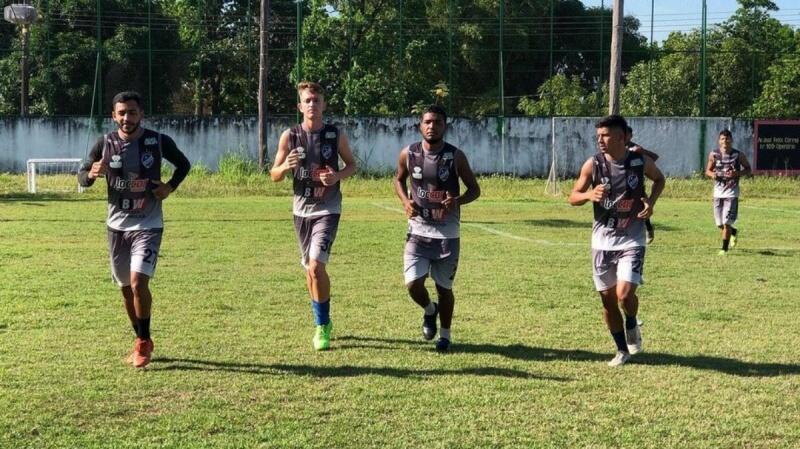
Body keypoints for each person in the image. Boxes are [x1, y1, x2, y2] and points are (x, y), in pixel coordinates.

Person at [78, 91, 191, 368]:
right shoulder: (104, 143)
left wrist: (169, 187)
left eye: (132, 112)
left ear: (141, 114)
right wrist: (91, 174)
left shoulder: (157, 141)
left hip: (148, 224)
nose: (127, 118)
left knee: (139, 282)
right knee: (126, 289)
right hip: (116, 227)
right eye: (122, 113)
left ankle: (142, 343)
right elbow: (82, 175)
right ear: (113, 116)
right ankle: (142, 337)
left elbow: (183, 164)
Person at [569, 115, 665, 367]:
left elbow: (659, 179)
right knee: (607, 299)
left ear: (622, 137)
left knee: (624, 294)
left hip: (631, 238)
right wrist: (589, 194)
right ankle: (621, 350)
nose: (600, 140)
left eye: (606, 135)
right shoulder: (593, 165)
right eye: (598, 135)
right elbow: (573, 196)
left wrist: (650, 204)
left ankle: (632, 321)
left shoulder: (638, 161)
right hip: (602, 241)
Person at [270, 81, 357, 351]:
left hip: (328, 209)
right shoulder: (290, 136)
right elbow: (274, 175)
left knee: (317, 265)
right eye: (307, 100)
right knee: (310, 270)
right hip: (301, 211)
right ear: (300, 106)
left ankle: (322, 326)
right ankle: (323, 319)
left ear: (324, 105)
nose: (312, 105)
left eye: (316, 100)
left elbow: (352, 165)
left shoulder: (335, 135)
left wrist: (337, 176)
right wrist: (285, 166)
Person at [393, 105, 481, 352]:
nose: (432, 126)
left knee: (445, 289)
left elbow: (475, 190)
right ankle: (429, 311)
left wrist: (457, 201)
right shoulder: (408, 153)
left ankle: (445, 335)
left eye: (438, 122)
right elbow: (398, 179)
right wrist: (405, 201)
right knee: (413, 284)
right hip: (418, 230)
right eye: (428, 122)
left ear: (445, 126)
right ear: (420, 125)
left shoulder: (455, 157)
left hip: (446, 234)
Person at [704, 129, 751, 255]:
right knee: (719, 224)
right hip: (718, 192)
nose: (725, 141)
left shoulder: (738, 155)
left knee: (726, 223)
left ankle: (724, 249)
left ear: (731, 140)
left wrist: (737, 173)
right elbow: (707, 171)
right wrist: (713, 174)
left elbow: (748, 169)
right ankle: (734, 232)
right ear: (719, 141)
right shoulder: (714, 154)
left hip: (731, 193)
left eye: (727, 138)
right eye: (723, 139)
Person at [625, 125, 660, 244]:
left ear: (630, 136)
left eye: (628, 134)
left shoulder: (635, 148)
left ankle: (648, 228)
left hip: (636, 186)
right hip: (619, 186)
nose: (625, 136)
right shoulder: (614, 148)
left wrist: (642, 151)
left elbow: (654, 157)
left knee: (642, 211)